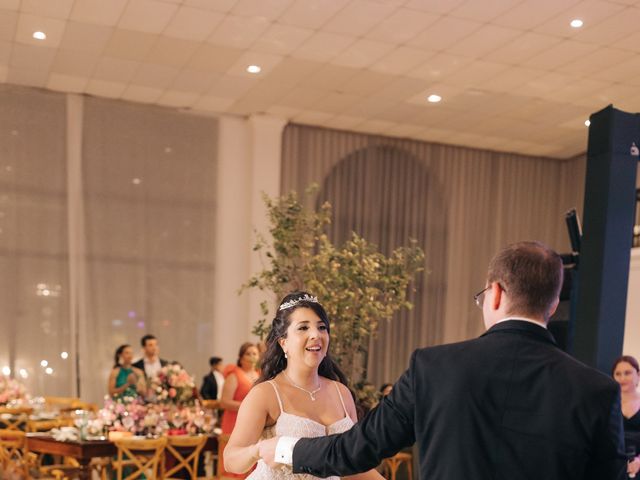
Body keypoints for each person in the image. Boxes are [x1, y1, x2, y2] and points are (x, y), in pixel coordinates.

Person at [258, 241, 627, 480]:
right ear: (553, 301)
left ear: (495, 293)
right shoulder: (597, 391)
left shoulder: (434, 368)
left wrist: (283, 447)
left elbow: (357, 448)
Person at [224, 292, 383, 480]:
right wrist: (258, 450)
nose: (315, 335)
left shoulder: (342, 393)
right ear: (284, 343)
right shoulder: (265, 394)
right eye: (303, 328)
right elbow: (230, 459)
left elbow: (352, 465)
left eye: (322, 327)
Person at [219, 342, 261, 479]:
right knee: (236, 462)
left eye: (254, 353)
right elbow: (224, 402)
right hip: (234, 422)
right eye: (248, 354)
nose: (251, 357)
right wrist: (246, 406)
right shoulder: (234, 375)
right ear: (241, 357)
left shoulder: (260, 374)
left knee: (252, 458)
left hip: (254, 423)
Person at [613, 355, 640, 478]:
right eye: (618, 374)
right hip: (614, 466)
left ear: (638, 375)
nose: (622, 378)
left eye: (627, 373)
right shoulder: (608, 404)